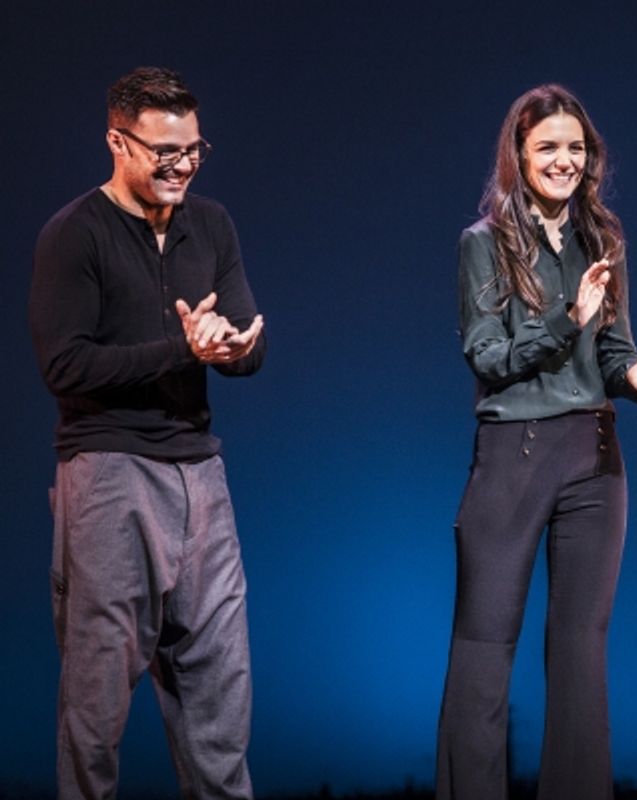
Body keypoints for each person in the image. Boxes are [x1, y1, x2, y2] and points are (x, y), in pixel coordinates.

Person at [435, 84, 637, 799]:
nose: (564, 160)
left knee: (582, 654)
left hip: (594, 458)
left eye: (576, 148)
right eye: (548, 147)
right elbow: (487, 356)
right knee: (483, 648)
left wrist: (633, 374)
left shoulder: (604, 242)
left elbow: (612, 352)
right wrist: (569, 319)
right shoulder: (482, 245)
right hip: (512, 452)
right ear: (519, 154)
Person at [29, 66, 265, 799]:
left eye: (193, 150)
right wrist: (180, 351)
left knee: (221, 704)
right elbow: (65, 366)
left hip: (202, 474)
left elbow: (247, 350)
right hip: (108, 475)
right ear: (117, 142)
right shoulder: (75, 234)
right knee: (95, 712)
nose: (182, 166)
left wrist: (237, 347)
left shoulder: (212, 224)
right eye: (165, 152)